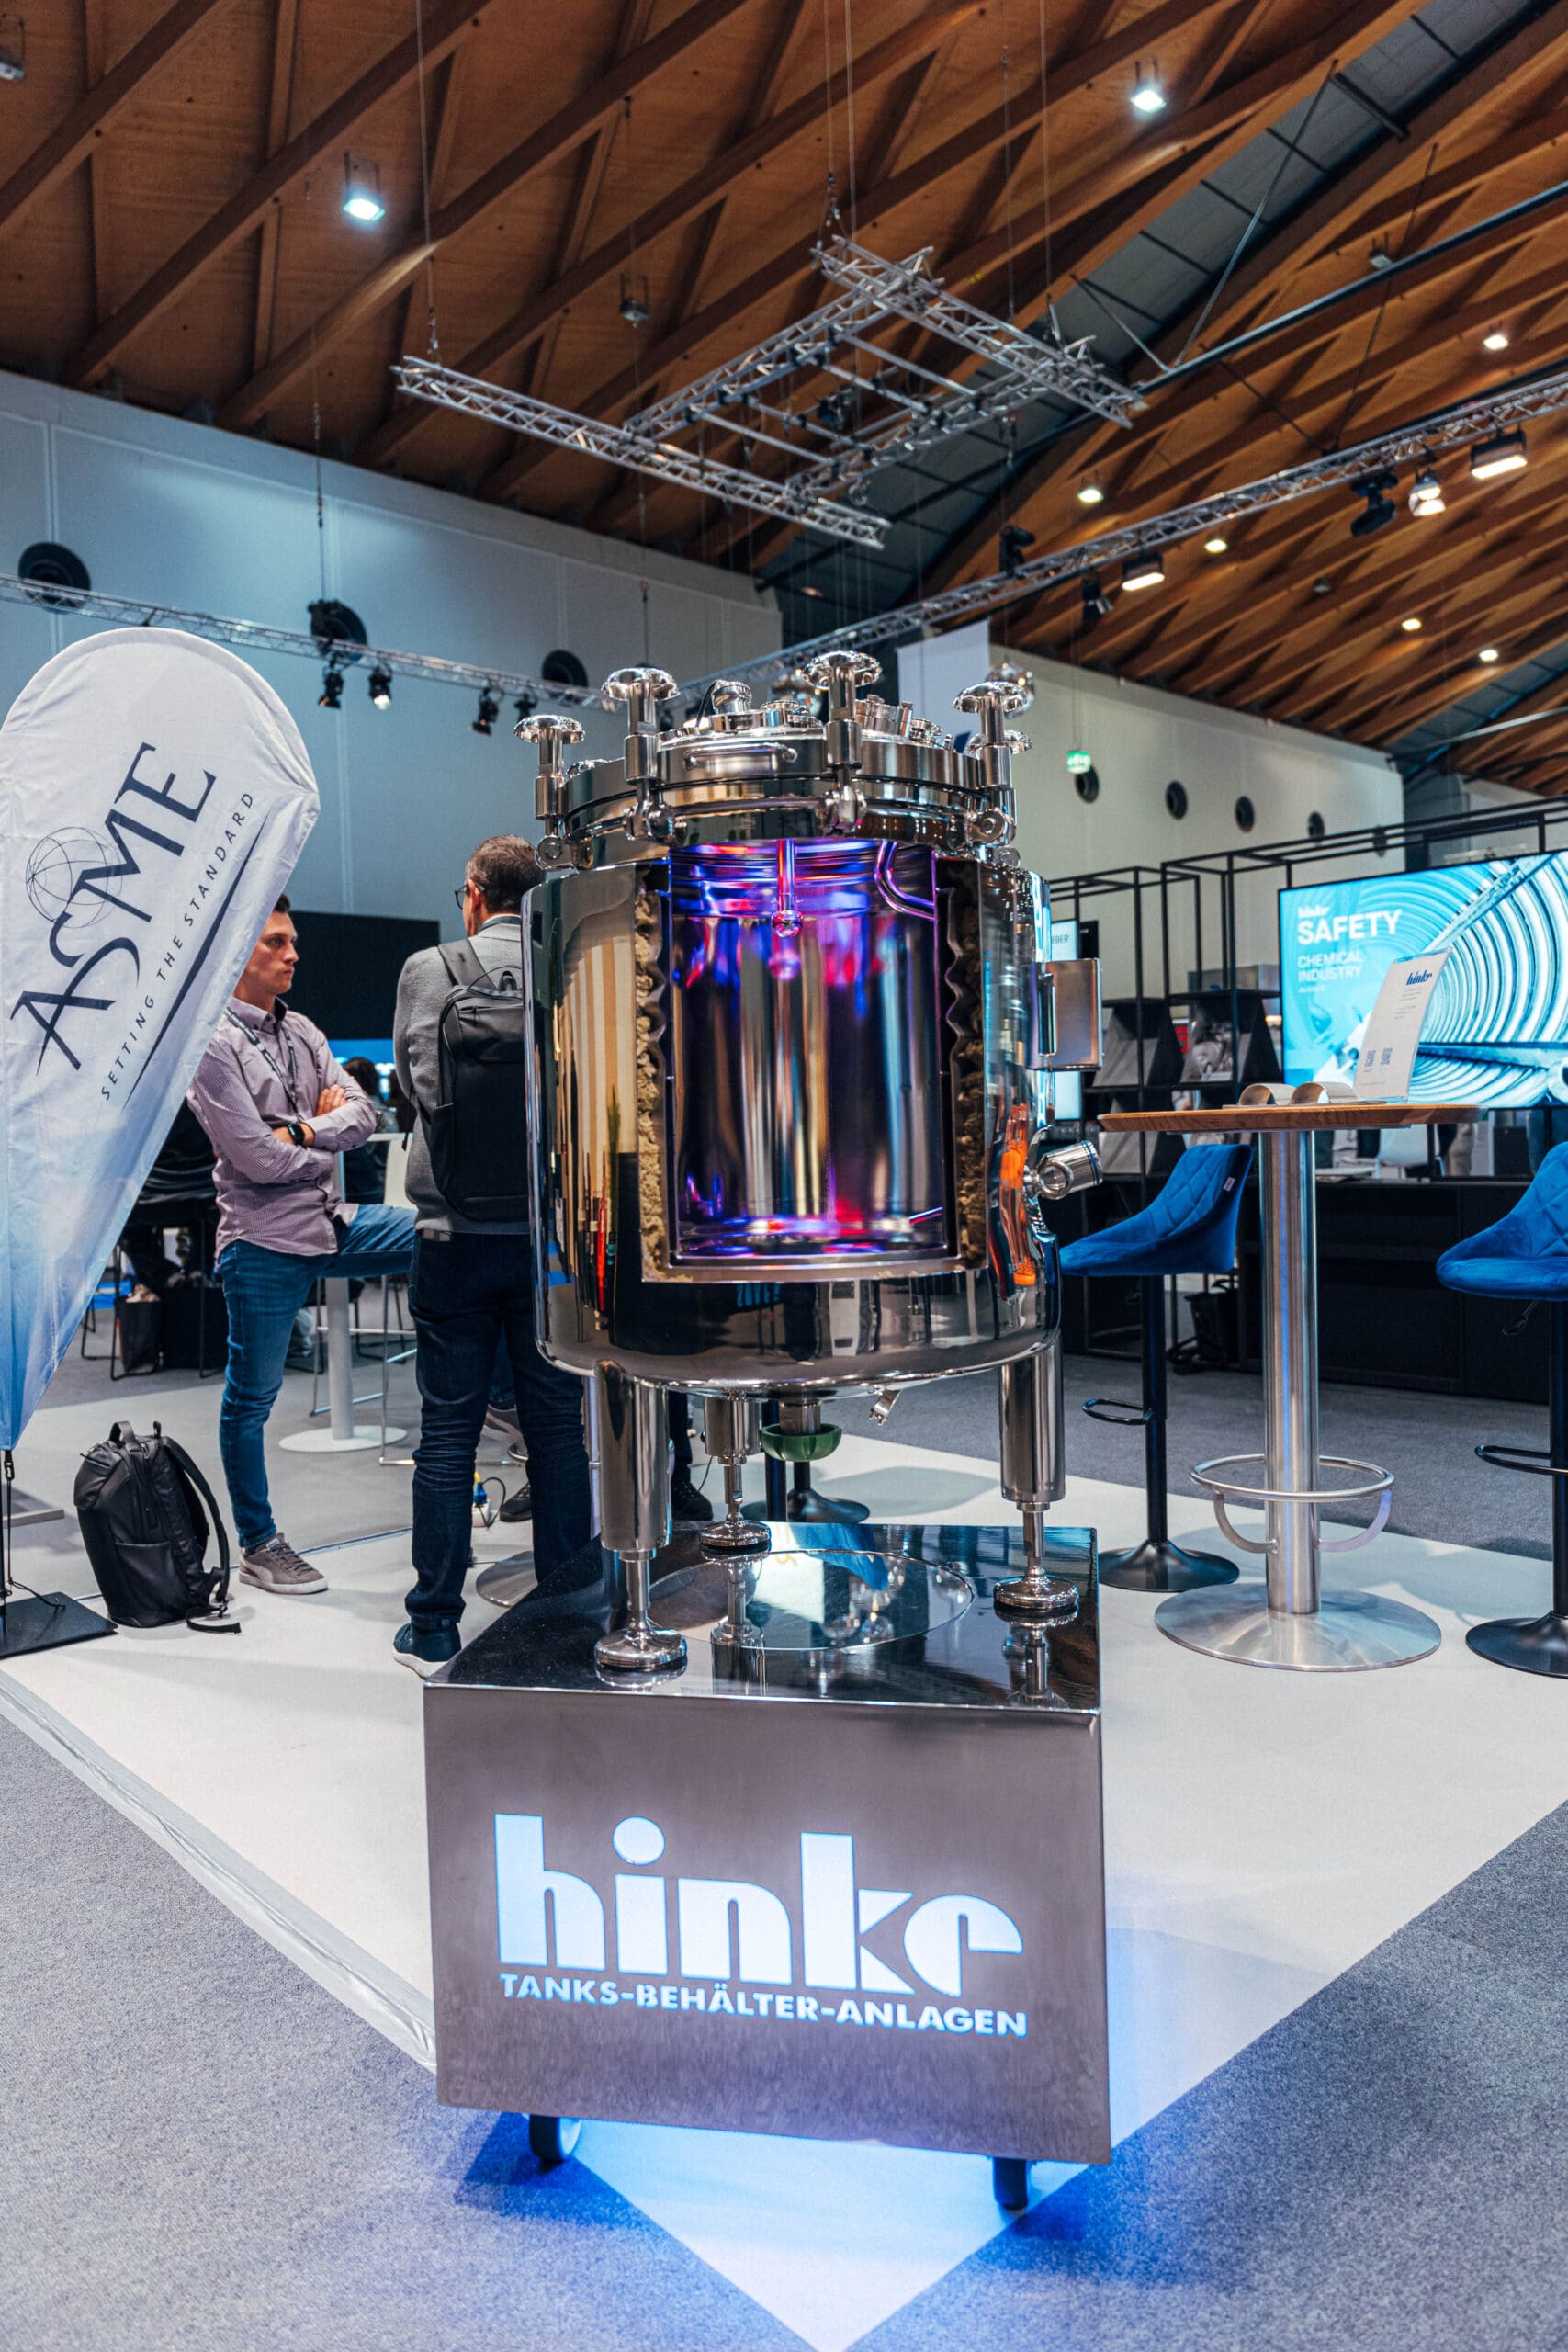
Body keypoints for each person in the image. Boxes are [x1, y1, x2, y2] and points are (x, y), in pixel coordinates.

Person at [392, 835, 592, 1674]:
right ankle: (567, 1614)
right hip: (547, 1240)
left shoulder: (429, 968)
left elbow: (415, 1092)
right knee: (556, 1431)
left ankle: (434, 1623)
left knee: (447, 1432)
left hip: (452, 1232)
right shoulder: (566, 970)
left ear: (474, 894)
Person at [188, 895, 415, 1595]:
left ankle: (497, 1396)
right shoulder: (214, 1045)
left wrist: (302, 1131)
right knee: (251, 1399)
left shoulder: (305, 1030)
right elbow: (256, 1161)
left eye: (292, 941)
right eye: (275, 943)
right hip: (262, 1240)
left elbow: (366, 1113)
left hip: (331, 1219)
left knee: (441, 1236)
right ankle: (260, 1544)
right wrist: (318, 1138)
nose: (293, 954)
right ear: (239, 951)